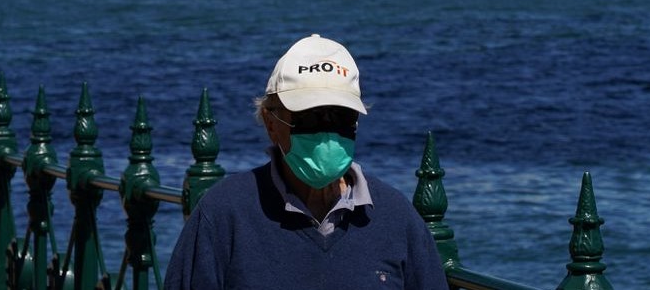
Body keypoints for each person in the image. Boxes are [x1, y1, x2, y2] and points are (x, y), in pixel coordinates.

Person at [164, 34, 448, 290]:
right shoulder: (224, 213)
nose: (326, 131)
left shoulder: (396, 218)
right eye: (309, 117)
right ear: (271, 123)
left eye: (341, 117)